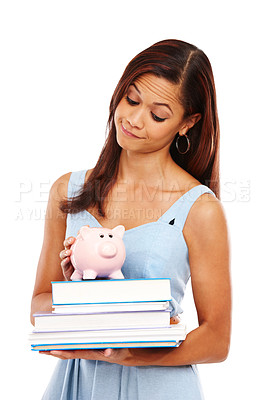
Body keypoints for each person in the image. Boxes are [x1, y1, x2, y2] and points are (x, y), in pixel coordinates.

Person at [31, 39, 231, 400]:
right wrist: (74, 297)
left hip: (159, 387)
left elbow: (217, 339)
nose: (134, 120)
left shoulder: (199, 209)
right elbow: (39, 305)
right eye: (132, 100)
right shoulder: (68, 191)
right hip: (78, 387)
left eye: (158, 115)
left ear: (188, 122)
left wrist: (136, 354)